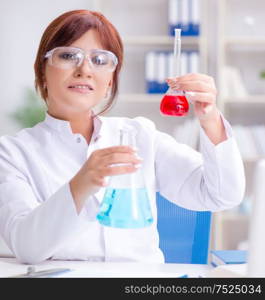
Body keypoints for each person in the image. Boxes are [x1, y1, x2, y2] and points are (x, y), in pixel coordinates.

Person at [0, 10, 245, 264]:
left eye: (100, 59)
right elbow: (26, 246)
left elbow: (222, 195)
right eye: (68, 56)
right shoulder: (12, 153)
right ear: (42, 71)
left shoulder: (139, 136)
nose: (84, 69)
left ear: (110, 81)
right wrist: (82, 182)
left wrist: (210, 119)